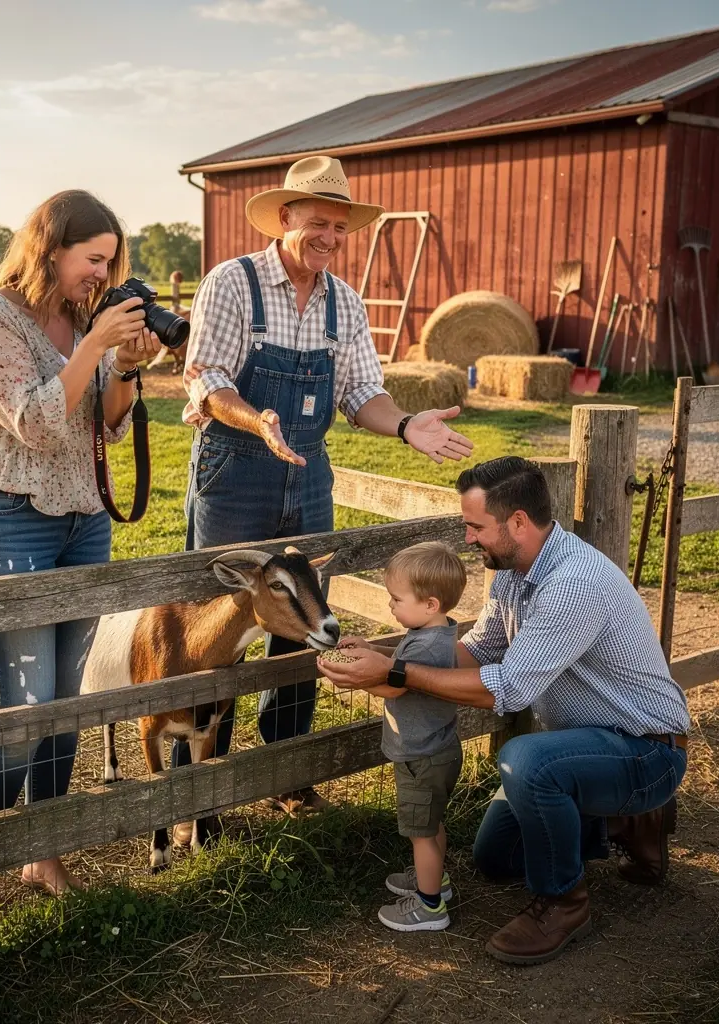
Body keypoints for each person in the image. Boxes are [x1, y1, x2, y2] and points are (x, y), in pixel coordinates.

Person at [176, 155, 474, 819]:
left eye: (340, 228)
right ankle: (204, 781)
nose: (330, 239)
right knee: (217, 625)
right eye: (318, 223)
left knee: (306, 622)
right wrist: (258, 420)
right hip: (234, 474)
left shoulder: (345, 301)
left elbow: (361, 392)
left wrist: (403, 425)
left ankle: (285, 771)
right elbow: (207, 377)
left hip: (307, 476)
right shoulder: (233, 283)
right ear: (284, 219)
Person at [317, 456, 690, 966]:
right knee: (495, 858)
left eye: (476, 527)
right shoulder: (517, 572)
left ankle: (564, 901)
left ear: (517, 521)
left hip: (644, 748)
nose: (468, 539)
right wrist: (388, 658)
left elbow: (508, 688)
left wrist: (394, 676)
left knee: (526, 763)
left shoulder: (574, 583)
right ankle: (621, 822)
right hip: (583, 744)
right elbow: (476, 651)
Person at [0, 189, 162, 926]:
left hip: (84, 523)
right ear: (49, 248)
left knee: (66, 706)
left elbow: (101, 421)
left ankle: (43, 851)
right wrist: (99, 344)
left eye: (110, 263)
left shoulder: (83, 320)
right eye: (91, 260)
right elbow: (38, 424)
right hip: (10, 521)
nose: (101, 276)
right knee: (23, 708)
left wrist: (127, 365)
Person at [346, 541, 467, 933]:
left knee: (421, 833)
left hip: (421, 757)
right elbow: (399, 665)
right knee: (431, 826)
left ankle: (430, 908)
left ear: (430, 604)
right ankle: (437, 883)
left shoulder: (427, 646)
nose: (390, 606)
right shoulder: (436, 633)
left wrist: (356, 677)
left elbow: (394, 685)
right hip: (439, 751)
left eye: (396, 599)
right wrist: (369, 648)